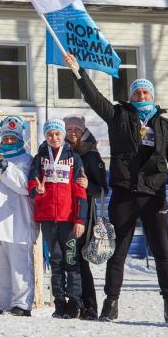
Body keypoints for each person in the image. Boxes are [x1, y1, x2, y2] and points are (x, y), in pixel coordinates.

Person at [64, 53, 168, 324]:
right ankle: (110, 303)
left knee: (162, 251)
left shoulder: (163, 124)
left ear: (152, 96)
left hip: (154, 194)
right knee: (118, 251)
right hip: (124, 193)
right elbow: (94, 97)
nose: (142, 95)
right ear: (132, 96)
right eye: (137, 91)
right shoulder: (119, 115)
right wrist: (78, 72)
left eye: (146, 91)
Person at [28, 119, 87, 320]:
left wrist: (80, 219)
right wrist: (38, 191)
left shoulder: (74, 158)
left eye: (57, 134)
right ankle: (59, 302)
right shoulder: (39, 158)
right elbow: (31, 185)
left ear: (63, 136)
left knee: (71, 260)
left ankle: (74, 302)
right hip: (48, 219)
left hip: (69, 219)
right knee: (55, 261)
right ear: (45, 136)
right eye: (50, 134)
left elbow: (80, 191)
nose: (54, 138)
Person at [0, 116, 35, 317]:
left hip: (17, 222)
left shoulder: (27, 160)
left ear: (20, 138)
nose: (9, 141)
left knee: (19, 267)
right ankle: (3, 305)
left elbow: (23, 187)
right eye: (6, 138)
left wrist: (6, 167)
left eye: (13, 138)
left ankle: (21, 305)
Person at [64, 114, 108, 320]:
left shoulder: (91, 155)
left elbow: (103, 190)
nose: (72, 133)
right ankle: (73, 303)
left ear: (83, 132)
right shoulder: (61, 152)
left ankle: (90, 307)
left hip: (84, 214)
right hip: (63, 213)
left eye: (76, 130)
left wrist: (88, 186)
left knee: (80, 260)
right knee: (66, 260)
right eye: (69, 129)